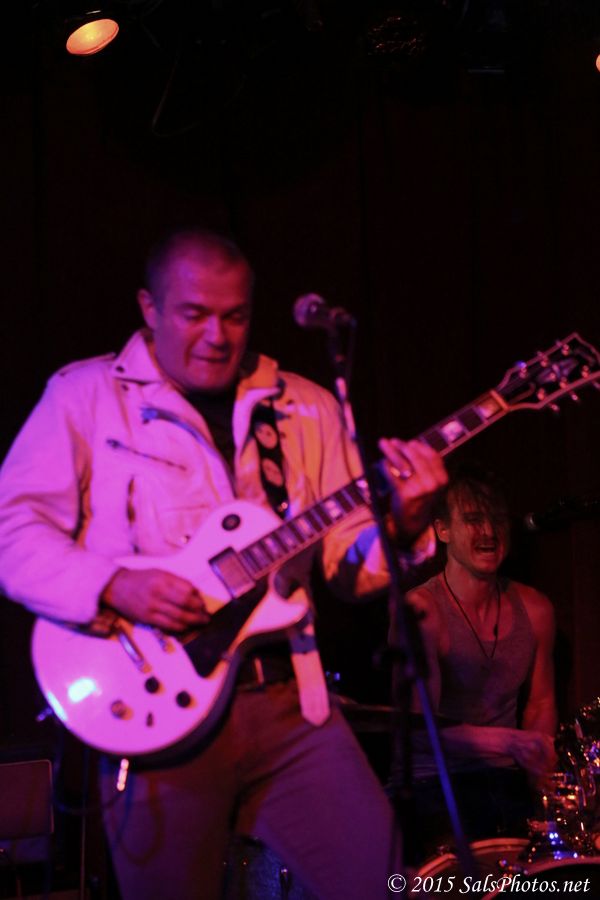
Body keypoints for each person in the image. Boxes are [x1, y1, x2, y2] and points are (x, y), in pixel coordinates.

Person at [0, 229, 447, 900]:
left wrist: (405, 527)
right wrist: (114, 584)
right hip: (155, 720)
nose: (217, 335)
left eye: (235, 316)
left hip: (291, 706)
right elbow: (11, 530)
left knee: (381, 884)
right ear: (149, 308)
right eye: (194, 314)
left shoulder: (304, 407)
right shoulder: (84, 396)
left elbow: (346, 568)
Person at [391, 466, 558, 864]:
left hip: (506, 781)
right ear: (442, 530)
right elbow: (420, 730)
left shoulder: (535, 608)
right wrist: (511, 743)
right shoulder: (422, 610)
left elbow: (540, 702)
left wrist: (539, 776)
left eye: (497, 520)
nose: (488, 532)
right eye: (473, 519)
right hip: (434, 782)